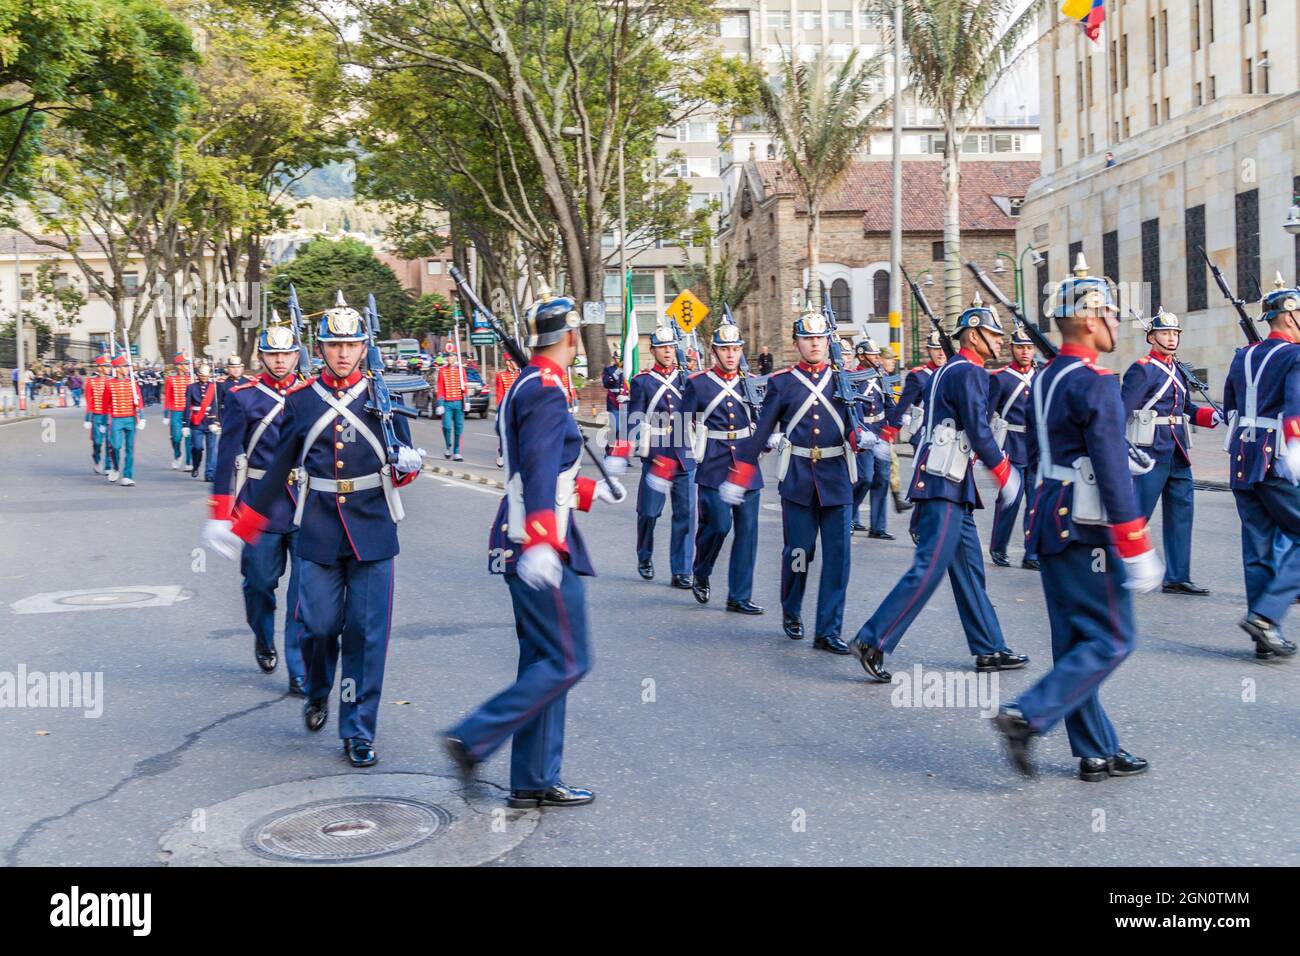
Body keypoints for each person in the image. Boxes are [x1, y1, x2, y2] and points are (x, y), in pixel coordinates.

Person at [208, 294, 425, 768]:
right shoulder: (303, 401)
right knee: (319, 626)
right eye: (334, 345)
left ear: (364, 346)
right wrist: (237, 524)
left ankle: (359, 730)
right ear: (320, 349)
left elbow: (401, 460)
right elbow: (280, 464)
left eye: (351, 344)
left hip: (372, 528)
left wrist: (410, 466)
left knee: (367, 636)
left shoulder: (384, 394)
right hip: (320, 527)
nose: (343, 353)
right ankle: (320, 688)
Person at [443, 294, 627, 808]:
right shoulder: (544, 389)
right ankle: (475, 736)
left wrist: (593, 490)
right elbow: (540, 469)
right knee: (570, 659)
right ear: (570, 338)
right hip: (538, 539)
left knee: (543, 661)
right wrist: (544, 542)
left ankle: (533, 778)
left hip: (530, 530)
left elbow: (544, 468)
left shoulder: (534, 384)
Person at [995, 256, 1162, 782]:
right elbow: (1111, 471)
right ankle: (1029, 714)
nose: (1116, 322)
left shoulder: (1046, 377)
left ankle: (1095, 750)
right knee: (1114, 638)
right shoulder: (1096, 383)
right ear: (1089, 320)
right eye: (1110, 312)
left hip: (1048, 520)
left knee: (1075, 641)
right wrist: (1135, 542)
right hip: (1088, 523)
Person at [849, 295, 1029, 680]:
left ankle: (989, 647)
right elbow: (979, 429)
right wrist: (1004, 472)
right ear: (973, 336)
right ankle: (872, 638)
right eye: (993, 334)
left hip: (950, 481)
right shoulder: (968, 372)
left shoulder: (954, 370)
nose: (999, 340)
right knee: (928, 569)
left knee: (968, 570)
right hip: (944, 482)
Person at [720, 306, 863, 653]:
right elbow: (762, 432)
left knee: (838, 558)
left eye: (820, 338)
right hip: (799, 480)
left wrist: (866, 436)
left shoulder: (843, 378)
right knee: (799, 553)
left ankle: (828, 630)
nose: (815, 344)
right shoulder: (782, 383)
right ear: (797, 343)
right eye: (808, 339)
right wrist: (740, 473)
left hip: (836, 480)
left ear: (828, 342)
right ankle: (793, 609)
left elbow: (855, 427)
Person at [206, 326, 309, 694]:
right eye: (273, 354)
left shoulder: (312, 392)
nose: (280, 360)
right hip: (260, 506)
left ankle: (299, 669)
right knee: (259, 585)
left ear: (297, 354)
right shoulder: (242, 397)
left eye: (286, 353)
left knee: (304, 596)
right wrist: (219, 513)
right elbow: (227, 454)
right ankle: (263, 637)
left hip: (306, 505)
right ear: (262, 356)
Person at [1221, 276, 1300, 661]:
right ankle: (1267, 618)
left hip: (1242, 458)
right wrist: (1297, 455)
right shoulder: (1294, 356)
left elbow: (1230, 409)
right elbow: (1295, 412)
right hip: (1274, 459)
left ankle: (1262, 637)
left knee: (1258, 547)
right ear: (1288, 316)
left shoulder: (1242, 355)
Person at [1121, 309, 1221, 594]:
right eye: (1165, 333)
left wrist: (1211, 417)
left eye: (1175, 333)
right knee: (1137, 513)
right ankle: (1115, 568)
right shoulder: (1143, 368)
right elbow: (1122, 411)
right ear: (1151, 337)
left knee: (1181, 514)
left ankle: (1177, 576)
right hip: (1151, 450)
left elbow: (1186, 409)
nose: (1171, 337)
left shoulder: (1177, 369)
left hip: (1178, 449)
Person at [680, 314, 763, 614]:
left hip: (746, 464)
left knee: (748, 531)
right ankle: (701, 571)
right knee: (717, 525)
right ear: (714, 351)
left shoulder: (752, 384)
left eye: (735, 348)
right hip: (714, 463)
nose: (731, 354)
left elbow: (764, 420)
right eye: (725, 349)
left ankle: (739, 596)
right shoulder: (698, 384)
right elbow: (680, 424)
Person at [625, 325, 696, 587]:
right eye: (662, 347)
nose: (667, 352)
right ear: (653, 350)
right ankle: (644, 555)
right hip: (657, 454)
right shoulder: (642, 382)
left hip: (684, 453)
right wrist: (625, 444)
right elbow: (634, 418)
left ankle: (681, 570)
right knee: (648, 513)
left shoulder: (688, 379)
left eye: (670, 347)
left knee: (685, 515)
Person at [988, 324, 1040, 570]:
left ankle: (1032, 554)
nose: (1025, 352)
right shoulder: (1001, 378)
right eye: (1020, 347)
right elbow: (987, 414)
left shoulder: (1041, 376)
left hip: (1037, 449)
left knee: (1036, 503)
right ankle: (999, 548)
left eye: (1029, 347)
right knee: (1010, 500)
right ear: (1012, 349)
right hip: (1011, 445)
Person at [850, 338, 896, 539]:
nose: (878, 358)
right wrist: (860, 430)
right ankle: (849, 514)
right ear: (861, 356)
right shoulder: (852, 377)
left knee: (882, 478)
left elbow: (888, 402)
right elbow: (852, 408)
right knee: (865, 477)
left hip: (880, 430)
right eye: (873, 354)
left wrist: (896, 419)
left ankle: (878, 526)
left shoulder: (881, 376)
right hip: (864, 431)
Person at [105, 354, 145, 486]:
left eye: (128, 366)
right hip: (116, 419)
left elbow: (139, 401)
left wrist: (142, 418)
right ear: (117, 368)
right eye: (125, 366)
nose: (128, 368)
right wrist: (105, 421)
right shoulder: (109, 384)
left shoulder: (132, 383)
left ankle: (128, 475)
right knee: (115, 446)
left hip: (130, 418)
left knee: (130, 448)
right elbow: (106, 403)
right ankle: (116, 467)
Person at [184, 364, 221, 480]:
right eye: (202, 376)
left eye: (206, 376)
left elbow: (215, 405)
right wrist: (185, 424)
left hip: (210, 421)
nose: (204, 378)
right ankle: (196, 465)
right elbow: (187, 406)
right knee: (197, 447)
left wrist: (215, 421)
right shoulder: (191, 387)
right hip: (197, 422)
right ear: (198, 376)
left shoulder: (213, 387)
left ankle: (209, 473)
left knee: (212, 449)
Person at [83, 355, 116, 475]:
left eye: (110, 366)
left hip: (109, 415)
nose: (109, 368)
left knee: (109, 441)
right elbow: (89, 400)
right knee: (97, 442)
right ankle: (96, 459)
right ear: (100, 367)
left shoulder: (113, 380)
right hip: (97, 415)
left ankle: (108, 464)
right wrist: (87, 418)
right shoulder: (91, 381)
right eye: (107, 366)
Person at [435, 343, 467, 460]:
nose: (450, 358)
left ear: (456, 357)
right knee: (447, 426)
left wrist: (466, 401)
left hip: (459, 402)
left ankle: (457, 451)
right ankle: (448, 446)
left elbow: (464, 387)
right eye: (448, 356)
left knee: (459, 428)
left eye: (452, 356)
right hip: (447, 403)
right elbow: (440, 388)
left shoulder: (461, 371)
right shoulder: (442, 371)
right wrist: (440, 404)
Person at [163, 354, 193, 470]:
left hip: (188, 411)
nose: (187, 366)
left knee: (189, 438)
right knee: (176, 437)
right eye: (185, 364)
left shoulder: (191, 379)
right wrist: (166, 414)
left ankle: (189, 462)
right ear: (179, 366)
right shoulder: (171, 380)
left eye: (187, 364)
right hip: (176, 411)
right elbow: (168, 398)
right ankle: (177, 454)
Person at [601, 352, 629, 453]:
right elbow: (606, 384)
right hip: (614, 403)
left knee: (625, 431)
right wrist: (616, 373)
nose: (619, 360)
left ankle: (622, 455)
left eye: (620, 358)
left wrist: (627, 397)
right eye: (617, 358)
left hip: (627, 403)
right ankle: (610, 450)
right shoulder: (609, 370)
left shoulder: (630, 369)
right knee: (616, 428)